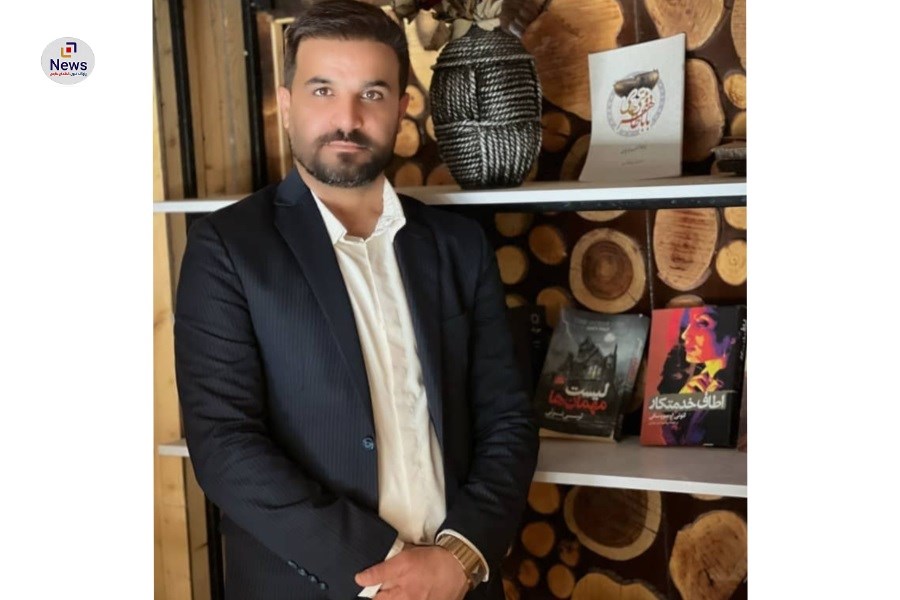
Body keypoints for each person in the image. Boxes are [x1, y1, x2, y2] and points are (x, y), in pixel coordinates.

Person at [172, 1, 539, 599]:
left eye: (372, 93)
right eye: (323, 91)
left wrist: (460, 556)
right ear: (287, 105)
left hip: (457, 584)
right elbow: (224, 444)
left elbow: (507, 418)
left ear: (401, 106)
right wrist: (384, 569)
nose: (347, 119)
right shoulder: (227, 248)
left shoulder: (457, 244)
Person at [656, 305, 740, 445]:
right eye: (687, 324)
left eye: (702, 323)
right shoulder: (696, 384)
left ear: (731, 337)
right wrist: (679, 410)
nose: (685, 335)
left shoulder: (731, 393)